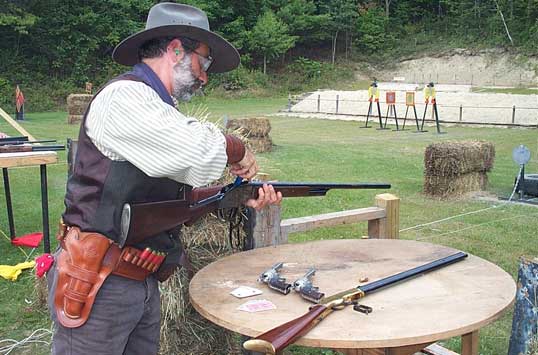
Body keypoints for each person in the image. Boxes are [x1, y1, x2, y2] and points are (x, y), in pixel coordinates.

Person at [47, 3, 282, 354]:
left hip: (139, 280)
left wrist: (233, 196)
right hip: (96, 283)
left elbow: (161, 200)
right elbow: (195, 151)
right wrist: (237, 149)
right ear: (175, 50)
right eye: (204, 62)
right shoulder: (123, 97)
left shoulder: (156, 108)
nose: (205, 76)